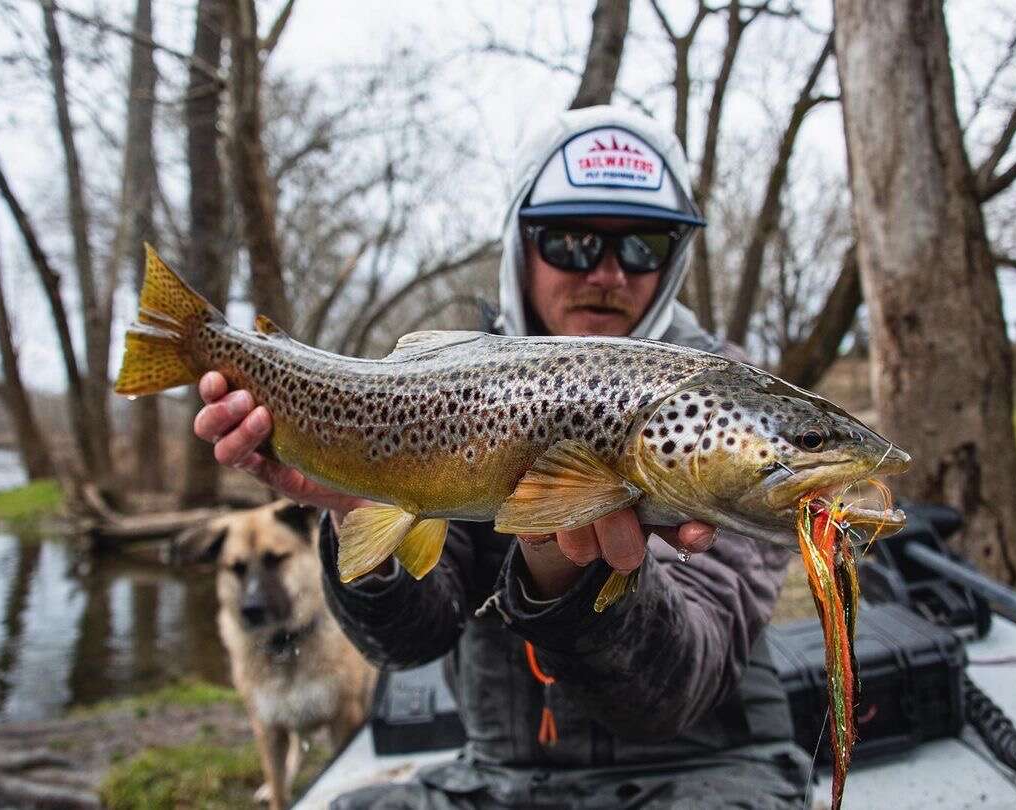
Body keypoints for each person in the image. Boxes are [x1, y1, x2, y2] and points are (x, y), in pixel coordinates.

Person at [194, 106, 811, 809]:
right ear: (521, 242)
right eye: (573, 241)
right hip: (503, 779)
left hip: (712, 771)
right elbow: (414, 640)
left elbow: (678, 686)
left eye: (644, 245)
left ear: (676, 258)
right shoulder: (448, 390)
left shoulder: (739, 417)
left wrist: (570, 582)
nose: (608, 274)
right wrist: (355, 503)